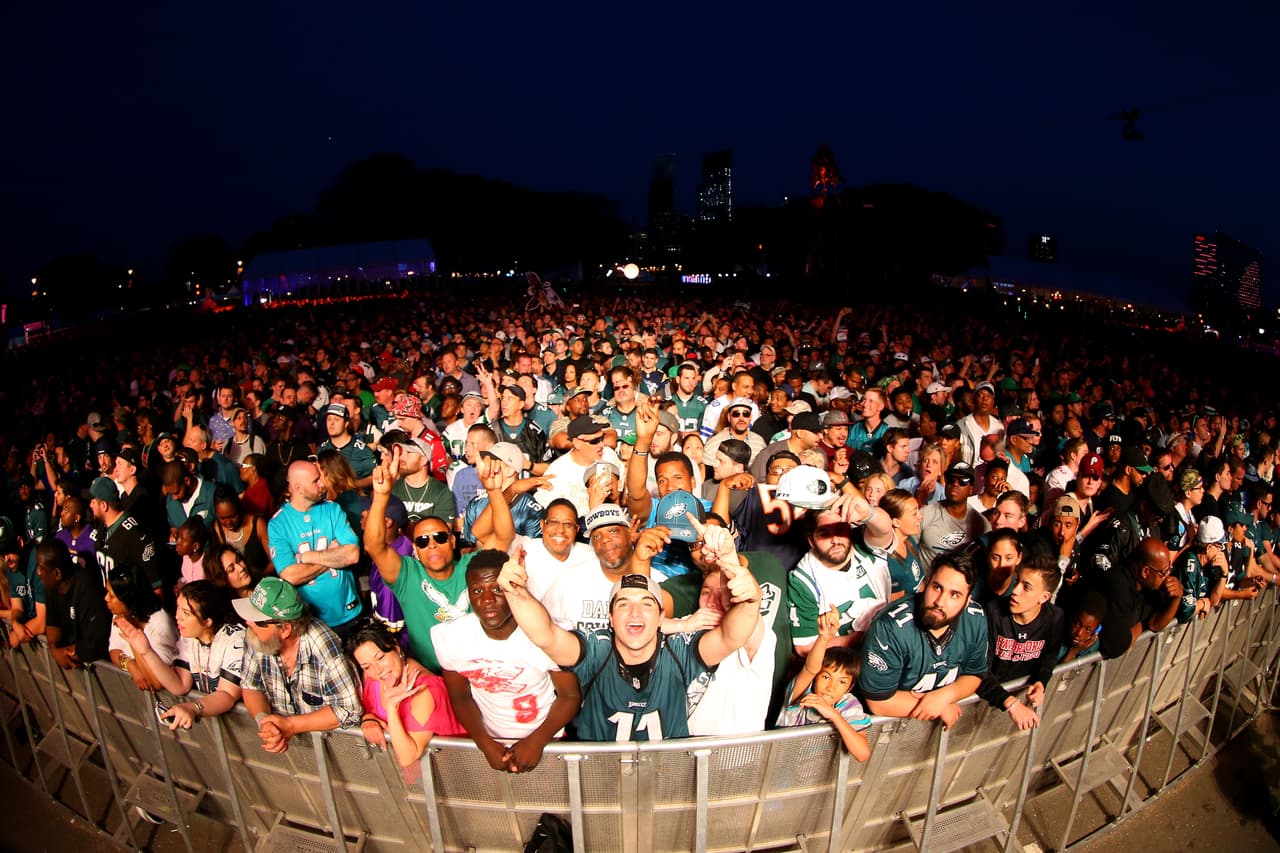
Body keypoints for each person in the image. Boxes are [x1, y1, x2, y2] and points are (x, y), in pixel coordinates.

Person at [497, 546, 764, 741]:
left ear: (661, 617)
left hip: (663, 783)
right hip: (602, 783)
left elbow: (731, 637)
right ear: (610, 619)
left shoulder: (679, 650)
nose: (635, 613)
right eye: (624, 604)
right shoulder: (596, 649)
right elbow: (546, 635)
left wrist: (750, 601)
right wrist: (516, 592)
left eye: (646, 604)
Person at [435, 550, 581, 773]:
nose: (486, 600)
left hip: (548, 742)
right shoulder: (451, 637)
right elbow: (460, 696)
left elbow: (570, 695)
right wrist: (485, 744)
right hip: (491, 745)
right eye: (476, 591)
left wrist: (537, 741)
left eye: (497, 589)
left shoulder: (544, 633)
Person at [365, 451, 476, 673]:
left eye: (440, 537)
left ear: (452, 541)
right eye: (423, 541)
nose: (432, 544)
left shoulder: (470, 566)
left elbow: (501, 539)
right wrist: (381, 496)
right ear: (415, 549)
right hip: (431, 675)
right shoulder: (408, 575)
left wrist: (494, 492)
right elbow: (374, 546)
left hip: (476, 671)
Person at [858, 549, 989, 729]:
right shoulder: (890, 628)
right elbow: (878, 701)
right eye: (937, 587)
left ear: (967, 602)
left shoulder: (975, 618)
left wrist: (945, 696)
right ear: (925, 585)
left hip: (936, 727)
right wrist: (937, 708)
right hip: (886, 730)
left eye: (955, 594)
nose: (940, 601)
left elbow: (975, 674)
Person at [236, 577, 363, 753]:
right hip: (296, 754)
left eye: (258, 621)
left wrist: (290, 725)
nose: (248, 623)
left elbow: (349, 709)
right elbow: (251, 686)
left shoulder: (322, 643)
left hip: (336, 751)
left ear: (285, 629)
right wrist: (265, 723)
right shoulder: (256, 637)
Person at [115, 580, 246, 730]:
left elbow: (227, 695)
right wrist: (146, 651)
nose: (177, 616)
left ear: (207, 621)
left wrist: (193, 707)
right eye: (178, 608)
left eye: (186, 613)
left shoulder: (235, 639)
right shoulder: (189, 637)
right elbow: (180, 685)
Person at [347, 620, 467, 773]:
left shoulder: (426, 690)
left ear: (396, 648)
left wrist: (392, 709)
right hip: (406, 778)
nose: (377, 670)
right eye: (367, 666)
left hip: (451, 773)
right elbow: (369, 710)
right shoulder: (371, 676)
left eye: (380, 658)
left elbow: (408, 757)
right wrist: (368, 719)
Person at [788, 491, 895, 654]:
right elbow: (805, 647)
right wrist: (861, 637)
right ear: (811, 540)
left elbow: (884, 530)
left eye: (840, 529)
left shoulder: (864, 546)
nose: (836, 540)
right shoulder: (802, 579)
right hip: (850, 660)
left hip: (893, 640)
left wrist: (867, 512)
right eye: (825, 533)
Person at [267, 460, 362, 637]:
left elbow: (352, 554)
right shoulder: (278, 524)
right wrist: (332, 558)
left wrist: (306, 557)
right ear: (299, 488)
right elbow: (289, 575)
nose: (322, 484)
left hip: (349, 613)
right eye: (315, 481)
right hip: (312, 621)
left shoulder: (332, 509)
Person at [977, 560, 1064, 730]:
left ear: (1044, 597)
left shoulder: (1055, 618)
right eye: (1017, 581)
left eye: (1027, 587)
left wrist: (1041, 681)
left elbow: (1049, 656)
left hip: (1017, 708)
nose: (1015, 591)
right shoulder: (992, 612)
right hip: (985, 701)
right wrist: (1012, 704)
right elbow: (979, 670)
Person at [776, 605, 871, 760]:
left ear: (850, 687)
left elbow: (862, 754)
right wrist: (824, 638)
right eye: (826, 677)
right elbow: (810, 669)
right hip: (781, 767)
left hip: (814, 776)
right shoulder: (802, 694)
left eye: (841, 682)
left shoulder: (848, 704)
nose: (830, 688)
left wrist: (834, 715)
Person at [107, 565, 179, 691]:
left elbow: (157, 682)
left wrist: (132, 634)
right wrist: (131, 665)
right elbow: (114, 651)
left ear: (127, 598)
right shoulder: (121, 614)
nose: (106, 598)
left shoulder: (160, 623)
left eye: (111, 596)